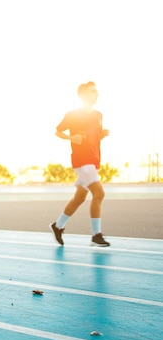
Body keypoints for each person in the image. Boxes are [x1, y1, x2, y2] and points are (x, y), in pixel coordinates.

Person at [49, 81, 110, 247]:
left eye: (97, 92)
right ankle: (96, 235)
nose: (96, 94)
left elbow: (94, 136)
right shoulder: (72, 115)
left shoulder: (98, 115)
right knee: (99, 194)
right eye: (93, 92)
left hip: (93, 160)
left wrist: (102, 134)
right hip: (82, 161)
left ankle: (58, 226)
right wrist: (70, 138)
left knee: (79, 198)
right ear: (83, 95)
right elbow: (58, 131)